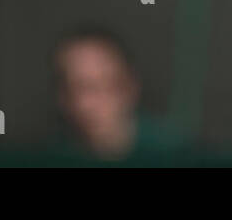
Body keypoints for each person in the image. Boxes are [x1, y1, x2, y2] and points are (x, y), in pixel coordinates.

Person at [52, 26, 182, 161]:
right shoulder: (52, 157)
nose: (87, 103)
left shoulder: (175, 156)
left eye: (103, 85)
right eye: (75, 88)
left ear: (130, 87)